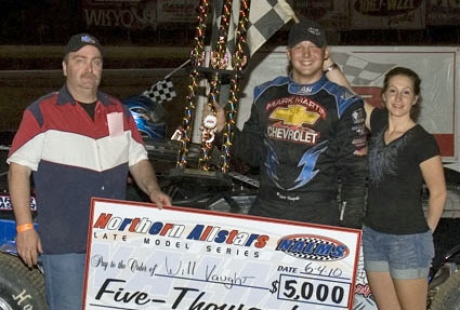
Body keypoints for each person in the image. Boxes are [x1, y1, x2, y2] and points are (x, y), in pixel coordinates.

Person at [7, 33, 171, 310]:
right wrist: (24, 228)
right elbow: (18, 170)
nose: (89, 69)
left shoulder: (117, 113)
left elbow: (138, 160)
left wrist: (153, 190)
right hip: (65, 243)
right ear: (65, 67)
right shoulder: (43, 113)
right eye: (80, 61)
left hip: (112, 242)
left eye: (95, 62)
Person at [206, 19, 368, 228]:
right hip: (267, 208)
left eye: (313, 47)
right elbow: (251, 154)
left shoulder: (344, 102)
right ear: (289, 53)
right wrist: (223, 129)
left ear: (325, 53)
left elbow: (355, 173)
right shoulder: (266, 93)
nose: (306, 54)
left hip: (317, 213)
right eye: (299, 47)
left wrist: (349, 227)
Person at [326, 63, 447, 309]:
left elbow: (439, 192)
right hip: (373, 237)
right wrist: (329, 64)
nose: (398, 98)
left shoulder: (422, 141)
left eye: (405, 92)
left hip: (408, 240)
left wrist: (425, 235)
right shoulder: (379, 123)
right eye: (393, 91)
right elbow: (348, 94)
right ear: (383, 95)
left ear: (415, 99)